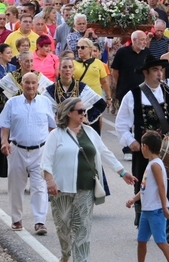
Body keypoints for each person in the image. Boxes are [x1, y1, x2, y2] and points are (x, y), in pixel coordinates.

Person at [43, 97, 137, 262]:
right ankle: (66, 254)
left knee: (82, 229)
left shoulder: (90, 132)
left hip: (86, 188)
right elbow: (46, 160)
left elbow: (105, 152)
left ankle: (81, 259)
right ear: (69, 113)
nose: (83, 114)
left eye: (84, 111)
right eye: (80, 111)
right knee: (63, 227)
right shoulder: (56, 135)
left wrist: (122, 172)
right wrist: (49, 180)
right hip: (61, 189)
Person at [116, 56, 169, 244]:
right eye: (155, 70)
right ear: (146, 73)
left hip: (166, 150)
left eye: (161, 70)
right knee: (145, 186)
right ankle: (143, 222)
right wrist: (131, 142)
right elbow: (121, 124)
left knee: (168, 185)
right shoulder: (132, 95)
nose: (159, 74)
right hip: (144, 150)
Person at [0, 71, 56, 235]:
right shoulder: (12, 103)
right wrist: (4, 142)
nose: (30, 86)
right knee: (16, 187)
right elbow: (5, 125)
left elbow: (52, 127)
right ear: (21, 84)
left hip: (40, 151)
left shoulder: (45, 102)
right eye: (27, 83)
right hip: (17, 150)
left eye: (33, 83)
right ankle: (16, 219)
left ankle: (40, 222)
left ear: (38, 85)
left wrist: (53, 148)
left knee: (39, 186)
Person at [125, 131, 169, 262]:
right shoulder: (151, 163)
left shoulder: (155, 165)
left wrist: (164, 207)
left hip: (156, 210)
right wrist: (133, 199)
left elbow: (161, 187)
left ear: (145, 146)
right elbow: (145, 188)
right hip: (147, 210)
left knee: (161, 242)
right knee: (141, 240)